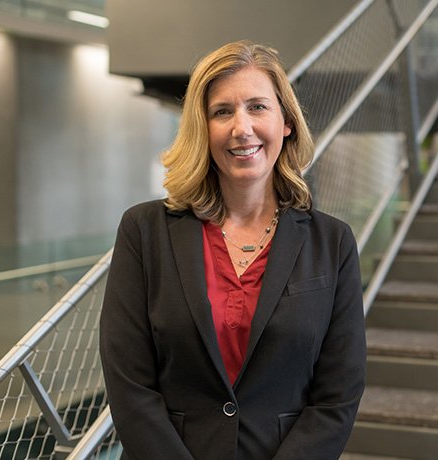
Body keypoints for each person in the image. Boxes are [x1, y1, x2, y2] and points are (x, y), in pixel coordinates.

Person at [99, 40, 366, 460]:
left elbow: (337, 398)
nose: (242, 128)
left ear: (287, 122)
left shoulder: (332, 243)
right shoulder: (144, 231)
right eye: (222, 111)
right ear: (202, 129)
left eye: (258, 107)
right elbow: (129, 385)